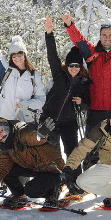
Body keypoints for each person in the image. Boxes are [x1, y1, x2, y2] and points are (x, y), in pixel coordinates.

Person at [0, 118, 67, 210]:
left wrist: (40, 135)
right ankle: (19, 196)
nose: (0, 136)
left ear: (7, 128)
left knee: (31, 190)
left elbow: (31, 137)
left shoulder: (21, 132)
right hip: (33, 167)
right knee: (6, 172)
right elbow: (1, 168)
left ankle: (53, 191)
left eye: (1, 131)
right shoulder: (7, 146)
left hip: (51, 168)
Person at [42, 17, 90, 157]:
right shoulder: (59, 75)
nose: (74, 68)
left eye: (77, 65)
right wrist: (49, 34)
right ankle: (54, 177)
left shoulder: (84, 82)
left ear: (80, 67)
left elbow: (89, 103)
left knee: (72, 152)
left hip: (70, 122)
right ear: (66, 65)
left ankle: (73, 178)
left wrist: (82, 103)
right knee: (51, 152)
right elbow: (52, 56)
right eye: (71, 65)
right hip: (51, 119)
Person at [0, 36, 45, 123]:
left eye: (20, 53)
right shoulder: (7, 71)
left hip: (25, 119)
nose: (17, 57)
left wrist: (28, 104)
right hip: (4, 117)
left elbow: (41, 99)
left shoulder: (33, 75)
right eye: (14, 54)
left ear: (25, 54)